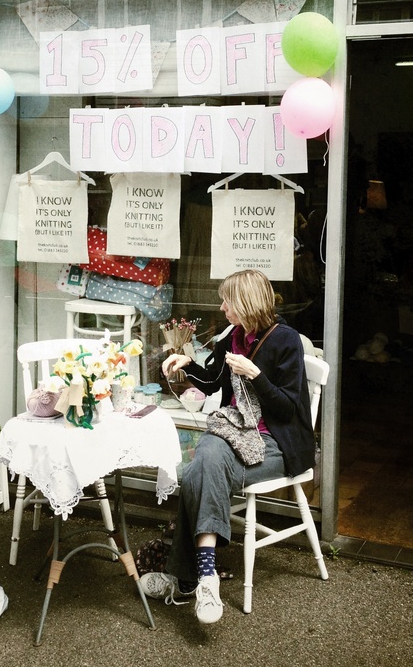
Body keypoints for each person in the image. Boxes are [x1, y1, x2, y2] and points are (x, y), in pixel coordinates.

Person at [141, 268, 315, 625]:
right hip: (235, 432)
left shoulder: (286, 341)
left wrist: (256, 376)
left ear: (246, 303)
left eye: (227, 301)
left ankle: (186, 579)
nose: (222, 308)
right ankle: (207, 579)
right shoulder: (233, 337)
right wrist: (186, 363)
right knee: (204, 465)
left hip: (277, 443)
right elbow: (211, 383)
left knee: (198, 472)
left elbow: (288, 408)